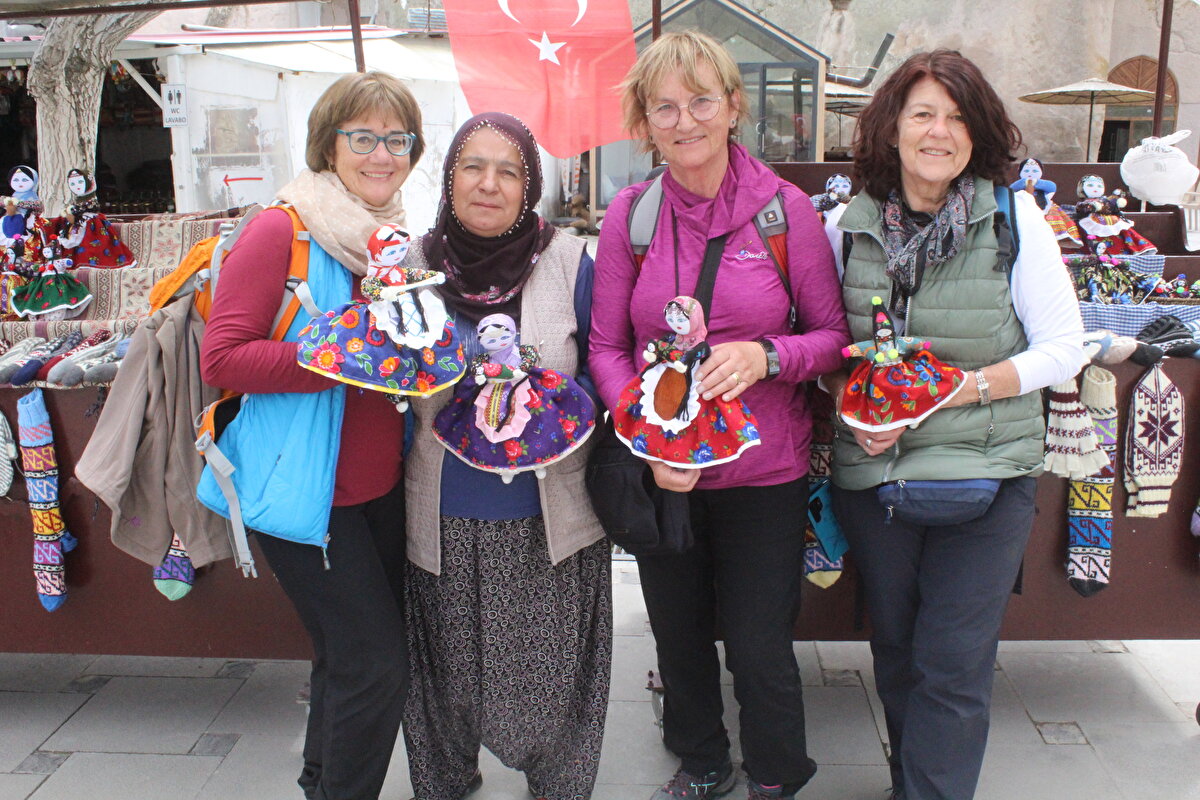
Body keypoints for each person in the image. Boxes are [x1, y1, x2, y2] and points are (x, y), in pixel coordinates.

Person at [590, 30, 850, 800]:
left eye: (702, 99)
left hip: (764, 468)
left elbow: (832, 339)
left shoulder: (784, 212)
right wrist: (645, 434)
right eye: (664, 106)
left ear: (734, 107)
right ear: (645, 123)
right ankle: (700, 759)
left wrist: (768, 355)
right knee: (676, 634)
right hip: (666, 472)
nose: (684, 120)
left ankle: (775, 772)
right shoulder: (630, 218)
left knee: (759, 642)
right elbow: (607, 347)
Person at [824, 50, 1084, 800]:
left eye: (958, 117)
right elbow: (820, 345)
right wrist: (855, 405)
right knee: (900, 652)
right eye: (924, 114)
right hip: (878, 478)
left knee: (954, 661)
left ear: (979, 133)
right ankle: (916, 782)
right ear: (892, 127)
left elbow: (1064, 349)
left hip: (989, 473)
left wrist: (957, 391)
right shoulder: (847, 223)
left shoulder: (1013, 218)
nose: (940, 132)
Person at [200, 70, 424, 800]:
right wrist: (341, 361)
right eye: (363, 136)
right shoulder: (282, 228)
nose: (381, 153)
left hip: (377, 489)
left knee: (344, 655)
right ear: (329, 143)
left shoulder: (391, 239)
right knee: (378, 665)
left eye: (398, 138)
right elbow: (223, 356)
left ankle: (321, 781)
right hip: (303, 493)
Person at [401, 111, 610, 800]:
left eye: (509, 170)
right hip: (441, 515)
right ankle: (447, 781)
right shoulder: (411, 268)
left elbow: (602, 368)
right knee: (446, 685)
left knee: (550, 687)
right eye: (473, 165)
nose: (489, 184)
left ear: (530, 186)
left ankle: (557, 784)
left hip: (548, 518)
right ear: (449, 176)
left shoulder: (572, 262)